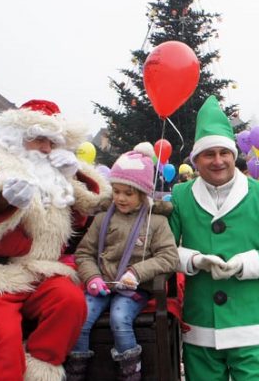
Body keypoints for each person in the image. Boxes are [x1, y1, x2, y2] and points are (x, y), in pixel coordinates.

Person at [0, 100, 111, 380]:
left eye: (52, 142)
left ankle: (41, 368)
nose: (46, 149)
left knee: (70, 302)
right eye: (39, 139)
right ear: (17, 136)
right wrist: (3, 199)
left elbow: (87, 211)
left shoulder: (54, 174)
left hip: (41, 273)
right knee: (3, 337)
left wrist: (75, 175)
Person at [169, 96, 259, 380]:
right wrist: (194, 260)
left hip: (251, 325)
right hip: (201, 326)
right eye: (209, 154)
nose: (218, 161)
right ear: (196, 159)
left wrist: (243, 263)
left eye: (224, 153)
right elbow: (163, 250)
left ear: (233, 155)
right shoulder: (180, 196)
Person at [68, 143, 179, 380]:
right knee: (80, 316)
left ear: (143, 193)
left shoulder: (156, 222)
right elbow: (84, 253)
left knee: (120, 318)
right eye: (116, 191)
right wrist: (92, 277)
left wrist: (137, 272)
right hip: (103, 284)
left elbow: (169, 257)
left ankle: (130, 370)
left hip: (135, 288)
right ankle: (78, 368)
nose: (120, 198)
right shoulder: (102, 219)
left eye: (128, 193)